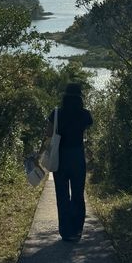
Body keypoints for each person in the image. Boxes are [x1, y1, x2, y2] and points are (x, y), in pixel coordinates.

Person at [44, 82, 93, 242]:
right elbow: (86, 133)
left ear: (64, 97)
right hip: (77, 156)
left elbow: (49, 134)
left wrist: (39, 154)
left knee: (62, 194)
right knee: (78, 194)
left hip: (61, 157)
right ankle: (77, 230)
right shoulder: (85, 114)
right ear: (80, 98)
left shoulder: (56, 113)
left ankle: (66, 232)